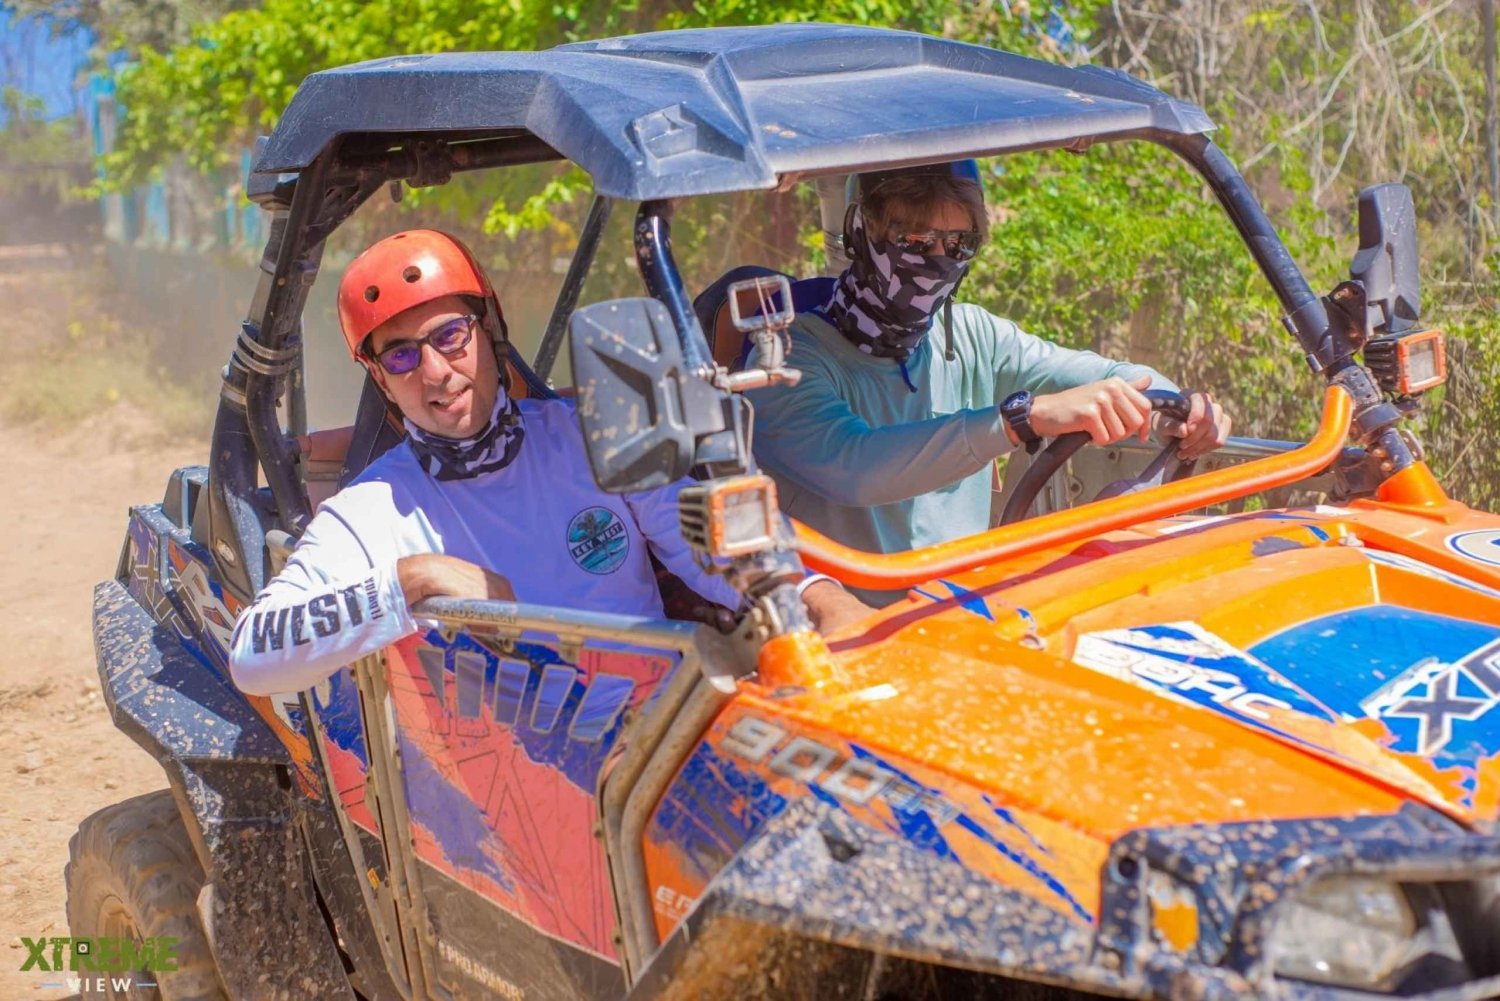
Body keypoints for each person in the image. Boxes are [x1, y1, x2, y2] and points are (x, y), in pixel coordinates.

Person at [230, 229, 864, 697]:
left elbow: (708, 542)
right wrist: (414, 579)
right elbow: (254, 656)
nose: (434, 371)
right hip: (506, 792)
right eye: (400, 356)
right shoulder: (371, 510)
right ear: (380, 380)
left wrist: (814, 595)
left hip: (658, 739)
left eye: (451, 335)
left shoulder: (592, 437)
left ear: (490, 330)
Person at [745, 161, 1232, 601]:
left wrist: (1185, 411)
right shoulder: (786, 356)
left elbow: (1121, 377)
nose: (938, 260)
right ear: (861, 234)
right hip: (848, 628)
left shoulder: (973, 334)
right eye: (915, 241)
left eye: (959, 245)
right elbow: (856, 467)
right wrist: (1022, 419)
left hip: (966, 609)